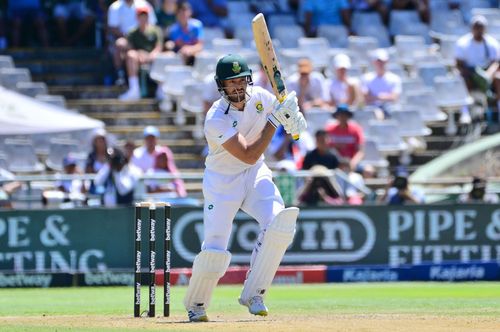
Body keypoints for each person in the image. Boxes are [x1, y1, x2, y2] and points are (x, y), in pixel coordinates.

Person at [183, 54, 306, 322]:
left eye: (241, 80)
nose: (237, 87)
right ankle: (197, 303)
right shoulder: (215, 119)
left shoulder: (261, 97)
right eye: (231, 82)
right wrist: (275, 121)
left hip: (254, 174)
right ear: (221, 86)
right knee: (215, 247)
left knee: (280, 224)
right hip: (222, 181)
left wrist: (293, 119)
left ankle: (254, 294)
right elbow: (248, 153)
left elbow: (286, 117)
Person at [455, 15, 500, 117]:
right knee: (462, 79)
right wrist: (473, 75)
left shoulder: (492, 43)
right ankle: (465, 112)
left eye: (481, 27)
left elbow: (495, 63)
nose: (479, 30)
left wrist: (487, 75)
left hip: (487, 73)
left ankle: (498, 108)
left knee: (498, 78)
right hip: (469, 72)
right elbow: (459, 64)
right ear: (472, 28)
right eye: (476, 27)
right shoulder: (463, 43)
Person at [119, 6, 164, 100]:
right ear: (137, 17)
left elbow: (158, 47)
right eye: (140, 16)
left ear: (148, 17)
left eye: (145, 15)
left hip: (154, 58)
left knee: (163, 57)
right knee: (131, 55)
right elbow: (130, 48)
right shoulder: (132, 32)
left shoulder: (156, 30)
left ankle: (162, 91)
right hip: (138, 59)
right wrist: (140, 54)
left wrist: (151, 56)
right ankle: (134, 90)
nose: (143, 18)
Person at [107, 0, 157, 85]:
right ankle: (120, 75)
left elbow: (152, 25)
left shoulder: (144, 4)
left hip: (145, 41)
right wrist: (130, 38)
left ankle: (155, 78)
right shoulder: (115, 7)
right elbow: (113, 28)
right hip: (127, 40)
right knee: (120, 43)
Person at [361, 48, 402, 115]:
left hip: (390, 109)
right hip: (372, 109)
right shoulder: (366, 78)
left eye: (383, 61)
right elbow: (366, 98)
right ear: (374, 62)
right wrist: (383, 97)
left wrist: (375, 97)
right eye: (378, 61)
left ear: (387, 61)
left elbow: (394, 97)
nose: (380, 64)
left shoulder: (395, 78)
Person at [325, 104, 365, 171]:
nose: (342, 117)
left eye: (345, 114)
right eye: (340, 114)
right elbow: (326, 149)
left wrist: (353, 163)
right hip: (334, 164)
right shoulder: (329, 130)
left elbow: (360, 151)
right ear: (336, 116)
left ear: (348, 116)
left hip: (351, 162)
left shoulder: (356, 130)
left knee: (368, 171)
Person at [166, 1, 204, 66]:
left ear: (190, 12)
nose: (183, 15)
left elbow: (200, 46)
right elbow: (175, 46)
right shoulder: (173, 29)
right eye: (180, 12)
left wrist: (190, 50)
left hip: (195, 56)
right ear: (176, 14)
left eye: (185, 11)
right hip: (179, 57)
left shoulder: (197, 26)